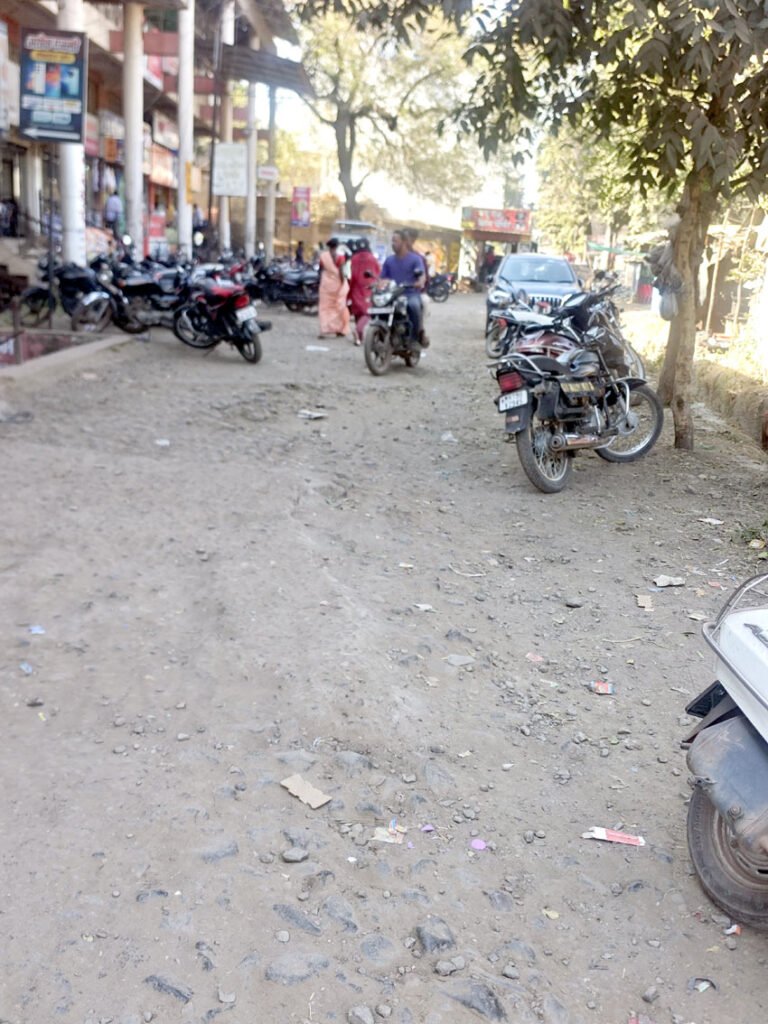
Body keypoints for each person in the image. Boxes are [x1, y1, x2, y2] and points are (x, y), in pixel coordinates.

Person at [380, 229, 428, 347]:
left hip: (410, 293)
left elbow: (422, 275)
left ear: (404, 242)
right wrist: (380, 283)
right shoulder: (389, 260)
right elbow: (382, 277)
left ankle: (414, 339)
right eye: (392, 241)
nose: (393, 244)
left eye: (395, 241)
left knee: (414, 306)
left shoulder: (415, 259)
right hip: (392, 294)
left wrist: (419, 281)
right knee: (377, 307)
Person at [348, 238, 380, 345]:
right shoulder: (372, 259)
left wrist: (349, 291)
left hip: (356, 287)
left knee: (358, 313)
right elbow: (377, 274)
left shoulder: (354, 258)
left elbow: (351, 275)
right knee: (367, 312)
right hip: (369, 288)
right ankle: (358, 330)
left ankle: (359, 338)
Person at [318, 238, 350, 338]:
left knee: (324, 308)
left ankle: (324, 329)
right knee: (338, 307)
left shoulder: (323, 256)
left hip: (325, 285)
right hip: (337, 285)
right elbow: (341, 272)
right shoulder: (340, 257)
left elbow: (321, 270)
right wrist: (342, 283)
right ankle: (339, 329)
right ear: (337, 246)